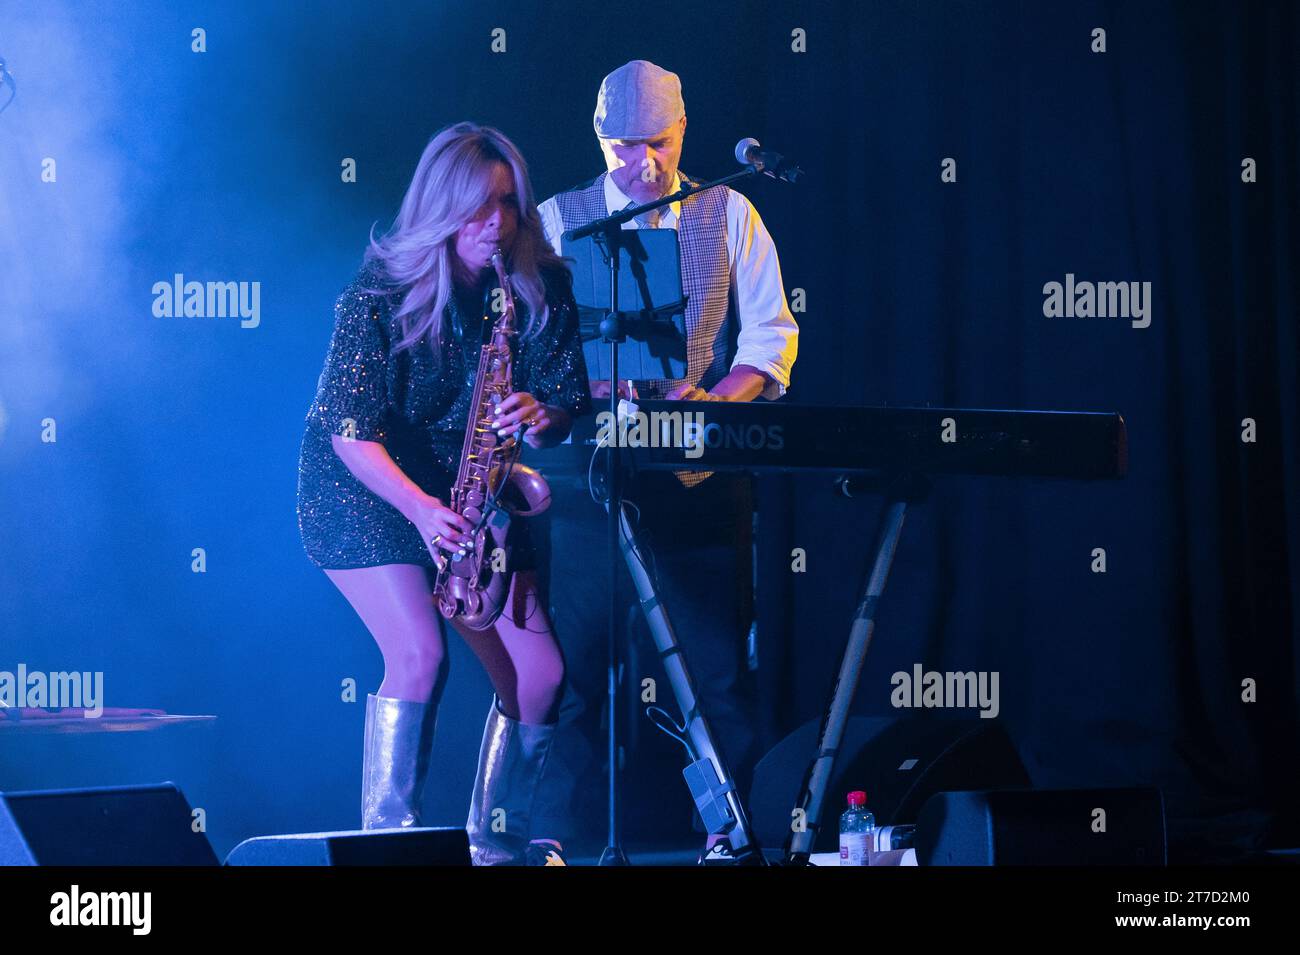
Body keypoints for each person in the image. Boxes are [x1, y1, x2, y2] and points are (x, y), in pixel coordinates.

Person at [296, 121, 591, 866]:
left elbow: (562, 409)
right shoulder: (378, 291)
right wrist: (424, 510)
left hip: (472, 493)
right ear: (439, 207)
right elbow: (348, 433)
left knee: (542, 674)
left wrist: (541, 414)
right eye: (476, 208)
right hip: (369, 487)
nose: (495, 226)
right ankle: (390, 850)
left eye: (507, 206)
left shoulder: (539, 284)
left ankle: (494, 850)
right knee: (421, 653)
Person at [531, 60, 799, 862]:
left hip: (695, 477)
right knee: (572, 668)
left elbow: (770, 337)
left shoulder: (729, 212)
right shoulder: (558, 219)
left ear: (682, 132)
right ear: (597, 136)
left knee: (714, 668)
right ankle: (547, 837)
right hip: (587, 481)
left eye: (656, 143)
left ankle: (730, 829)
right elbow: (524, 343)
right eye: (621, 147)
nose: (641, 164)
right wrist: (576, 386)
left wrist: (716, 403)